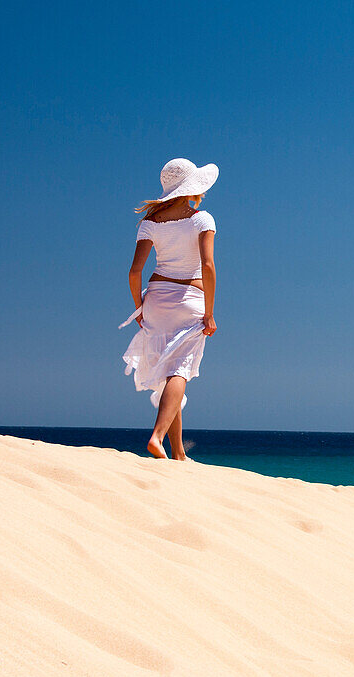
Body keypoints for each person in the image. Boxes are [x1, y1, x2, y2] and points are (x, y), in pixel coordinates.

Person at [121, 158, 219, 460]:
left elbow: (134, 272)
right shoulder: (203, 220)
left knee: (169, 374)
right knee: (180, 370)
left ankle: (178, 452)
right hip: (189, 299)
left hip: (156, 299)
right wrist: (209, 312)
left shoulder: (150, 223)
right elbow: (207, 266)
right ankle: (157, 437)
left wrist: (139, 308)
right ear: (194, 188)